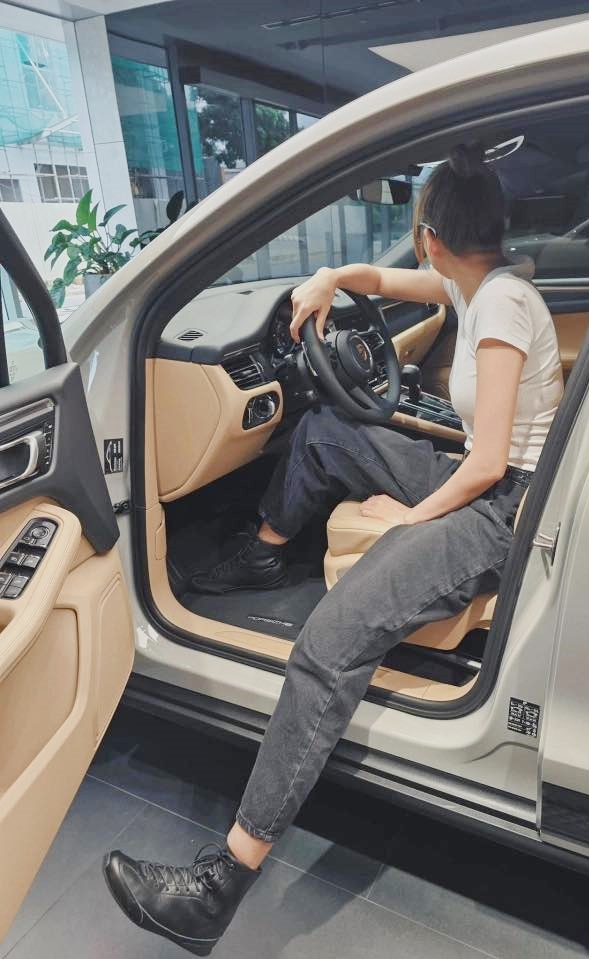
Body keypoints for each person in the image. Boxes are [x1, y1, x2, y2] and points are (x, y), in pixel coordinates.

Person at [103, 141, 564, 955]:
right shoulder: (482, 282)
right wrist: (329, 279)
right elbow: (391, 282)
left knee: (328, 640)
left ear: (429, 235)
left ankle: (219, 887)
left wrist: (410, 517)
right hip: (482, 480)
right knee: (323, 431)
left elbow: (490, 462)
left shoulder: (497, 305)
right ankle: (262, 551)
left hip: (500, 507)